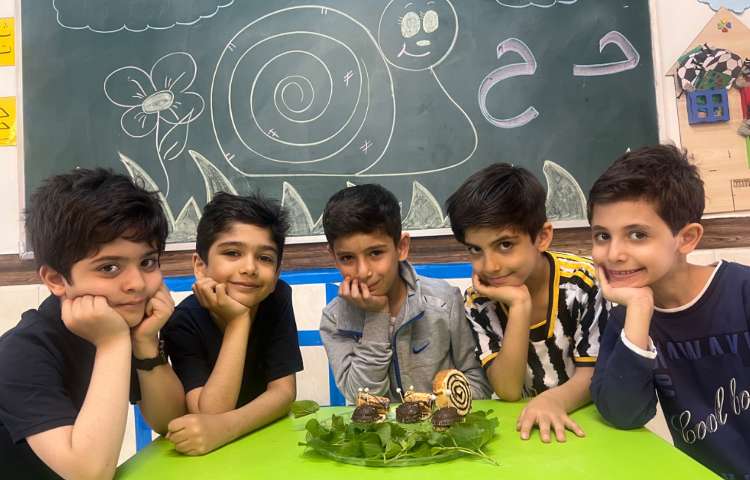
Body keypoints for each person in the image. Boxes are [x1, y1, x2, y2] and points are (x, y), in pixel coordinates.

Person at [0, 168, 185, 479]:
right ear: (56, 279)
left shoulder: (124, 320)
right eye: (109, 267)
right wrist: (112, 344)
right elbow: (89, 474)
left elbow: (170, 422)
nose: (137, 284)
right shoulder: (21, 353)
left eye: (147, 262)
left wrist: (145, 344)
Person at [589, 145, 750, 478]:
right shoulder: (625, 317)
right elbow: (623, 413)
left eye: (637, 235)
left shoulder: (742, 293)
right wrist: (638, 309)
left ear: (687, 238)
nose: (614, 253)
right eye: (602, 236)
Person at [446, 163, 608, 443]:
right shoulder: (478, 302)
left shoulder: (583, 283)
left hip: (585, 423)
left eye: (505, 245)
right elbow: (508, 390)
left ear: (542, 237)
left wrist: (552, 401)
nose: (490, 266)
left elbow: (593, 373)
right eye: (475, 249)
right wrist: (520, 305)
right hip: (521, 430)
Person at [320, 184, 491, 403]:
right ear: (333, 257)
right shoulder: (335, 319)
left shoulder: (444, 301)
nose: (363, 272)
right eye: (347, 258)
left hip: (443, 422)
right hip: (379, 426)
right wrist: (376, 316)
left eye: (375, 253)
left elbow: (478, 382)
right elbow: (362, 397)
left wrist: (431, 410)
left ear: (401, 247)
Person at [162, 192, 303, 455]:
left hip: (267, 437)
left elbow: (284, 393)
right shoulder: (181, 321)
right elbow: (210, 413)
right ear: (200, 266)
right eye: (232, 253)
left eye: (265, 258)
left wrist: (227, 428)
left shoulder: (276, 298)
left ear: (276, 275)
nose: (250, 268)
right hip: (204, 454)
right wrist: (239, 322)